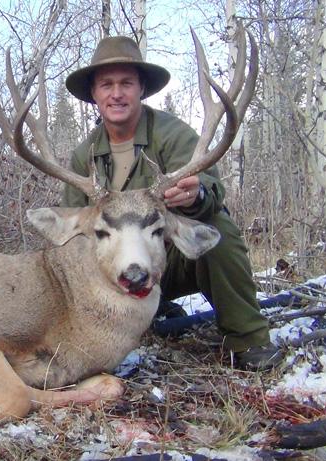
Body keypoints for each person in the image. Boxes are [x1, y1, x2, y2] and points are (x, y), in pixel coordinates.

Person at [61, 36, 282, 371]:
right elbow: (75, 235)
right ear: (94, 94)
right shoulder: (84, 155)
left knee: (216, 228)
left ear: (142, 89)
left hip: (164, 259)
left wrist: (196, 197)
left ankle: (249, 339)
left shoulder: (172, 134)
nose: (116, 93)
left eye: (126, 83)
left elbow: (210, 189)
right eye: (106, 85)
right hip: (111, 273)